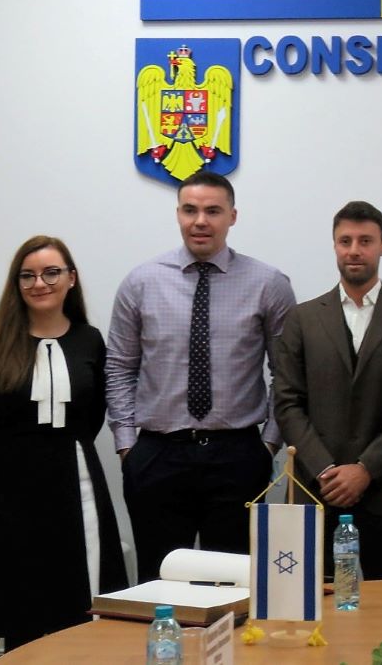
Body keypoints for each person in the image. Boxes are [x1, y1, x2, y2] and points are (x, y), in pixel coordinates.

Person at [107, 172, 296, 581]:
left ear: (232, 216)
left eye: (213, 211)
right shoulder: (141, 282)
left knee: (232, 587)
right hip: (157, 455)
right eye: (190, 210)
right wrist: (126, 446)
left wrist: (268, 445)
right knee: (157, 585)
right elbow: (119, 366)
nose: (200, 221)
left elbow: (287, 374)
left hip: (237, 457)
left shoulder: (268, 284)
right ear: (178, 214)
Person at [0, 236, 127, 651]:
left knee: (81, 591)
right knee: (19, 590)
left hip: (77, 477)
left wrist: (62, 450)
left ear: (71, 278)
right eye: (28, 275)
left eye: (51, 273)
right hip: (11, 485)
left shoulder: (90, 340)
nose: (39, 283)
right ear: (16, 283)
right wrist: (5, 460)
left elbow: (94, 414)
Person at [273, 201, 382, 579]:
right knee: (314, 601)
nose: (354, 250)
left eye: (365, 240)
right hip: (316, 490)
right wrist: (326, 470)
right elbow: (287, 401)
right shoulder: (302, 318)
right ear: (334, 245)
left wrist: (365, 469)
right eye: (345, 241)